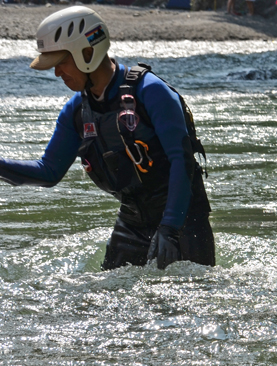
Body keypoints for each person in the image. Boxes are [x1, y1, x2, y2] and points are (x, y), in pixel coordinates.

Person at [0, 7, 215, 271]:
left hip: (183, 220)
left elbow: (182, 163)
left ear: (87, 53)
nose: (57, 73)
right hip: (132, 222)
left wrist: (170, 227)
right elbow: (49, 171)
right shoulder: (76, 112)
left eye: (60, 63)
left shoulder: (152, 93)